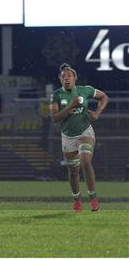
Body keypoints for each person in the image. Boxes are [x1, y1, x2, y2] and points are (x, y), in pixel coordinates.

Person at [50, 63, 109, 212]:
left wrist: (97, 113)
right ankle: (77, 199)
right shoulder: (56, 95)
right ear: (60, 79)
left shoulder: (85, 90)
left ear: (75, 78)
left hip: (85, 132)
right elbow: (54, 118)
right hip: (68, 136)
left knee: (85, 161)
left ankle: (93, 197)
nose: (66, 78)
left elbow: (104, 97)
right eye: (63, 76)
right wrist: (71, 106)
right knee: (73, 171)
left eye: (69, 76)